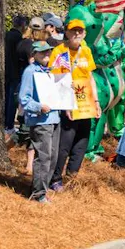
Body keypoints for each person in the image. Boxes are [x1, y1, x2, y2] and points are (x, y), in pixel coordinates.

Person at [48, 16, 99, 188]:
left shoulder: (86, 51)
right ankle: (55, 178)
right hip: (67, 104)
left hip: (86, 103)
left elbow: (90, 77)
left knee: (82, 142)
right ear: (67, 33)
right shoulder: (60, 51)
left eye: (80, 30)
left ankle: (72, 177)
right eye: (74, 30)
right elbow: (57, 79)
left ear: (84, 33)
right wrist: (66, 104)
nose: (77, 33)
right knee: (64, 144)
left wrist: (97, 101)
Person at [18, 41, 60, 202]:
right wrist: (39, 107)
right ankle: (38, 194)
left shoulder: (51, 71)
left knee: (52, 157)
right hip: (40, 120)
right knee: (43, 157)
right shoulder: (30, 72)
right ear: (34, 54)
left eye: (48, 52)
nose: (46, 55)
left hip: (55, 118)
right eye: (42, 53)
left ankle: (42, 188)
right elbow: (24, 98)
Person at [3, 14, 28, 131]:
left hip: (4, 71)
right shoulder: (18, 38)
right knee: (12, 100)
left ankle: (4, 122)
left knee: (5, 97)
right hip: (15, 72)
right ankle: (9, 124)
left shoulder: (6, 35)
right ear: (23, 26)